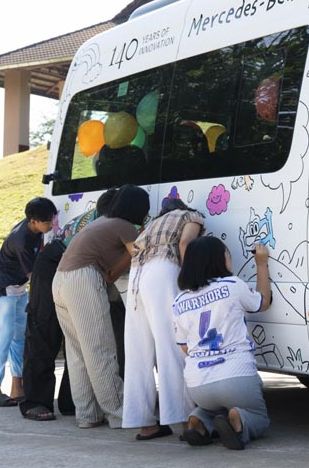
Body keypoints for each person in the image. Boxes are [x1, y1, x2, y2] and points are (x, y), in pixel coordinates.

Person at [52, 184, 149, 428]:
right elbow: (140, 255)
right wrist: (143, 239)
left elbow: (110, 275)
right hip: (82, 280)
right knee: (100, 349)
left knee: (77, 353)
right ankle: (121, 413)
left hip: (60, 280)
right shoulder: (124, 226)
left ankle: (88, 414)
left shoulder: (101, 222)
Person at [19, 188, 119, 421]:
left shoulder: (107, 218)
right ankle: (35, 401)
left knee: (76, 337)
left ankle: (71, 400)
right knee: (44, 331)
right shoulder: (110, 222)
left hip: (75, 268)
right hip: (53, 263)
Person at [173, 236, 272, 450]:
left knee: (211, 409)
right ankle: (239, 420)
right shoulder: (233, 285)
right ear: (218, 259)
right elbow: (263, 302)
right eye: (227, 253)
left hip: (198, 384)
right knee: (258, 417)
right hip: (236, 376)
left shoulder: (179, 301)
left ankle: (199, 421)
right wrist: (261, 264)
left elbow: (184, 347)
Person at [123, 197, 204, 440]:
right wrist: (193, 281)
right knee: (172, 346)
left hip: (137, 277)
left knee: (138, 351)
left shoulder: (153, 224)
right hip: (164, 272)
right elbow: (185, 242)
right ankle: (187, 422)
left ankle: (144, 423)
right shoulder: (191, 216)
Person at [0, 197, 57, 407]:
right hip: (4, 288)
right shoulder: (22, 240)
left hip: (19, 287)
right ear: (34, 221)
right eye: (47, 222)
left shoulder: (35, 231)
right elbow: (34, 274)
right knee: (1, 338)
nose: (51, 225)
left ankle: (17, 387)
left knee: (20, 339)